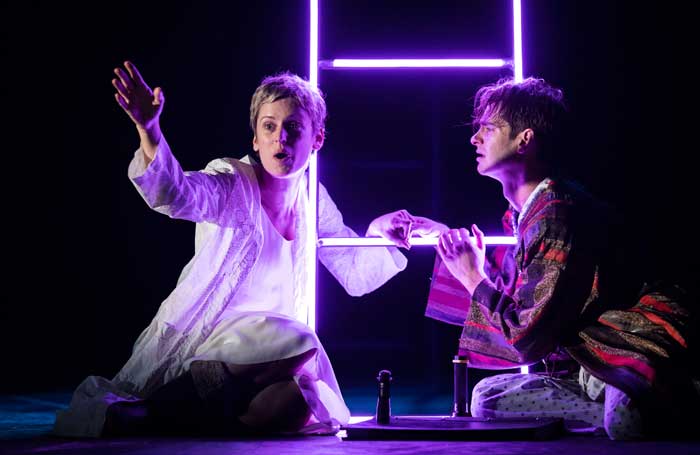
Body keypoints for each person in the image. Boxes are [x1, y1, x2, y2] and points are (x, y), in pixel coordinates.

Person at [53, 61, 407, 438]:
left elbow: (353, 272)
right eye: (268, 127)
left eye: (293, 128)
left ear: (317, 138)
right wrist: (149, 129)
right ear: (255, 139)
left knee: (300, 401)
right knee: (302, 341)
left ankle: (165, 419)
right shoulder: (231, 180)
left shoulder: (313, 200)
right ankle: (163, 407)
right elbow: (177, 194)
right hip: (217, 342)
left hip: (275, 357)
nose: (280, 139)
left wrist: (378, 233)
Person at [371, 77, 698, 440]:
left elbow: (528, 332)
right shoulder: (529, 212)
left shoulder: (556, 214)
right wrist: (442, 237)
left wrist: (472, 276)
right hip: (587, 361)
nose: (475, 138)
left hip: (629, 345)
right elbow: (520, 291)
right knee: (486, 399)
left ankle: (647, 400)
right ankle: (610, 406)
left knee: (625, 423)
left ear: (524, 140)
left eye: (488, 128)